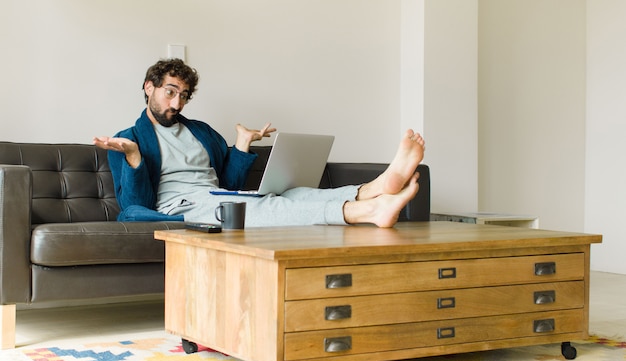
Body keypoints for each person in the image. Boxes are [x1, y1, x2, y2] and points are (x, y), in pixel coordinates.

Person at [93, 58, 425, 228]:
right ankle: (364, 211)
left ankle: (373, 188)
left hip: (216, 198)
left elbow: (228, 184)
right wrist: (135, 158)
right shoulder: (130, 139)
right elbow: (134, 207)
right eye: (170, 92)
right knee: (267, 206)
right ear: (149, 87)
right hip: (182, 207)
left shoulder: (202, 132)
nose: (177, 104)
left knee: (293, 194)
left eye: (183, 95)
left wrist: (241, 145)